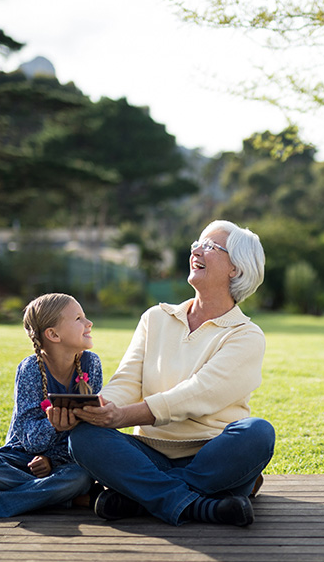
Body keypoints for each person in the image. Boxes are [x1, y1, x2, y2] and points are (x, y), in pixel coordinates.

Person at [49, 220, 274, 527]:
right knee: (86, 437)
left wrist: (122, 417)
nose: (196, 248)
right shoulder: (156, 318)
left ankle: (139, 496)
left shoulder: (246, 335)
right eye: (197, 242)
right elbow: (128, 380)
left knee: (257, 433)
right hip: (150, 452)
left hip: (211, 453)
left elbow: (197, 393)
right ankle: (201, 504)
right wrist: (96, 410)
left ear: (236, 268)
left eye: (209, 246)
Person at [0, 293, 103, 521]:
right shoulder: (30, 370)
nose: (88, 323)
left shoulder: (90, 364)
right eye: (78, 319)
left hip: (66, 463)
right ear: (53, 334)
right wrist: (53, 427)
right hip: (21, 459)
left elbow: (90, 428)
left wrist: (52, 461)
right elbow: (30, 439)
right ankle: (70, 498)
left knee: (80, 477)